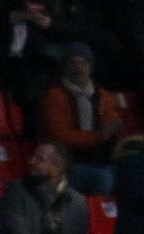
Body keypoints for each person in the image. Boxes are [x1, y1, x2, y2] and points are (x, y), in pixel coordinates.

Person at [35, 44, 124, 195]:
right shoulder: (55, 96)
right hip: (68, 162)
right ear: (65, 66)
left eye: (83, 63)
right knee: (103, 178)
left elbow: (113, 124)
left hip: (101, 160)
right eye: (73, 62)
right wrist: (97, 137)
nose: (78, 68)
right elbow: (60, 136)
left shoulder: (101, 94)